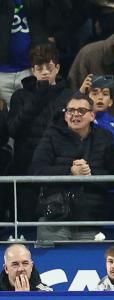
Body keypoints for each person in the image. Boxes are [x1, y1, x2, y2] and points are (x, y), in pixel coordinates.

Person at [30, 93, 114, 241]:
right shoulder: (51, 135)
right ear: (65, 116)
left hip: (90, 219)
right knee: (53, 264)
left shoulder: (105, 137)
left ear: (92, 115)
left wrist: (90, 174)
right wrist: (69, 172)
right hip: (54, 218)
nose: (75, 114)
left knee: (87, 263)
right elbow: (36, 172)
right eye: (70, 110)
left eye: (81, 110)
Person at [7, 43, 74, 224]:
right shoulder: (20, 96)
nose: (45, 72)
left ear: (58, 68)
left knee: (54, 225)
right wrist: (38, 96)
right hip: (25, 168)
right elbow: (13, 129)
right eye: (39, 68)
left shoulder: (69, 96)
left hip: (57, 168)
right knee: (26, 222)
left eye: (49, 67)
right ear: (32, 70)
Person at [79, 74, 114, 143]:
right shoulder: (78, 119)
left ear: (110, 102)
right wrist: (80, 93)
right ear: (86, 99)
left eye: (105, 94)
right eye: (95, 93)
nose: (100, 97)